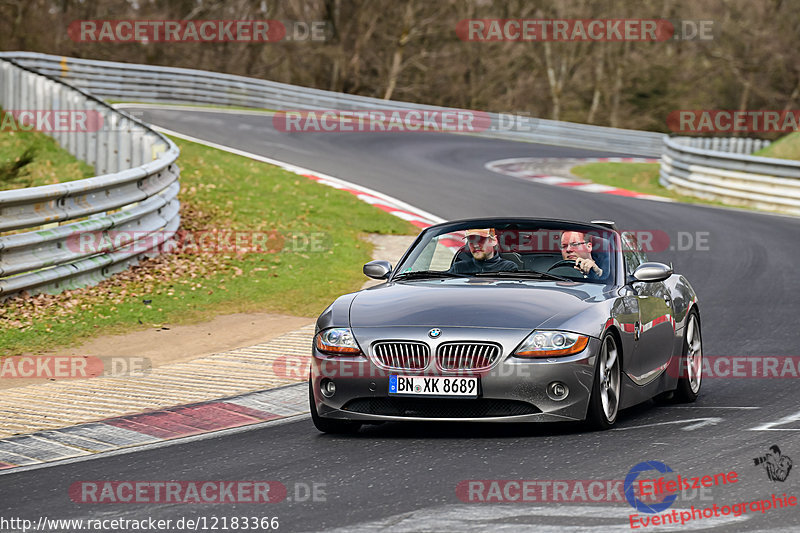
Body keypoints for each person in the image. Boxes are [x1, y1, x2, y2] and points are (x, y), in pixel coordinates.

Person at [450, 228, 518, 274]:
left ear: (493, 241)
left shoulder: (508, 267)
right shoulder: (459, 268)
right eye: (471, 240)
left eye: (480, 239)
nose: (475, 245)